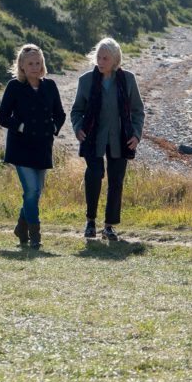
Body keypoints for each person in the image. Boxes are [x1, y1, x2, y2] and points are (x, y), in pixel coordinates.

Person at [71, 37, 145, 241]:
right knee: (94, 175)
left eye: (105, 58)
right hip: (93, 138)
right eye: (99, 57)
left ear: (115, 60)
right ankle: (90, 222)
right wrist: (78, 129)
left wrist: (136, 135)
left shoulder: (128, 80)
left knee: (116, 181)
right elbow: (77, 111)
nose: (101, 62)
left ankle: (109, 226)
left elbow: (138, 111)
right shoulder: (85, 81)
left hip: (120, 139)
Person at [0, 44, 66, 248]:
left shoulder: (50, 86)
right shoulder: (14, 87)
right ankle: (35, 235)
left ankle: (21, 227)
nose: (35, 67)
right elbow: (2, 117)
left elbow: (60, 114)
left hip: (43, 146)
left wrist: (53, 127)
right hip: (21, 147)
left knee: (35, 192)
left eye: (38, 63)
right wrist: (20, 126)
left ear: (42, 64)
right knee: (31, 190)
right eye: (30, 64)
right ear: (22, 66)